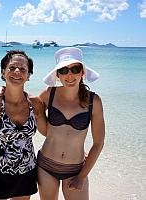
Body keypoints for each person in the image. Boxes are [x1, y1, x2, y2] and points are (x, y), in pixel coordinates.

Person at [0, 50, 47, 200]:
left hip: (26, 171)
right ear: (3, 72)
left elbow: (49, 133)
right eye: (12, 68)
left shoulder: (36, 104)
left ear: (28, 76)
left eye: (23, 69)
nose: (17, 72)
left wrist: (77, 147)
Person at [38, 47, 105, 200]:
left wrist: (82, 176)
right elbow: (23, 104)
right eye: (63, 70)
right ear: (57, 75)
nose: (69, 75)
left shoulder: (93, 101)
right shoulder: (49, 94)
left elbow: (99, 143)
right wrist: (2, 90)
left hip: (76, 170)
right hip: (46, 166)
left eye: (75, 69)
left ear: (83, 72)